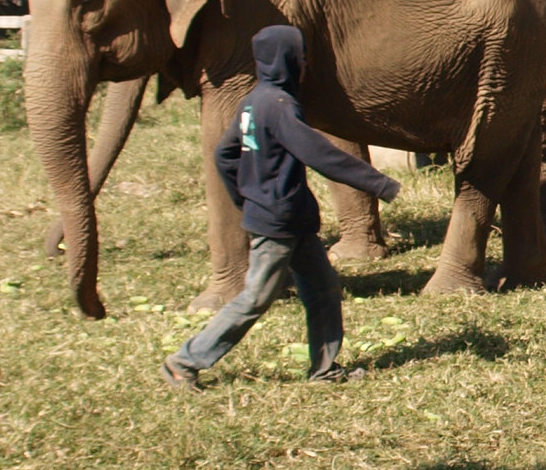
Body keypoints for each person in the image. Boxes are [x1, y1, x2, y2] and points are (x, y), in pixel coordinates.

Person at [162, 25, 401, 389]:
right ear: (286, 59)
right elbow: (318, 152)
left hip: (291, 219)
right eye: (300, 55)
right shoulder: (280, 106)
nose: (305, 63)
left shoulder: (254, 101)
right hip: (277, 223)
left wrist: (248, 196)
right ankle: (185, 362)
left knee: (322, 291)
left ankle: (323, 368)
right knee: (256, 297)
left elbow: (225, 155)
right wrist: (378, 183)